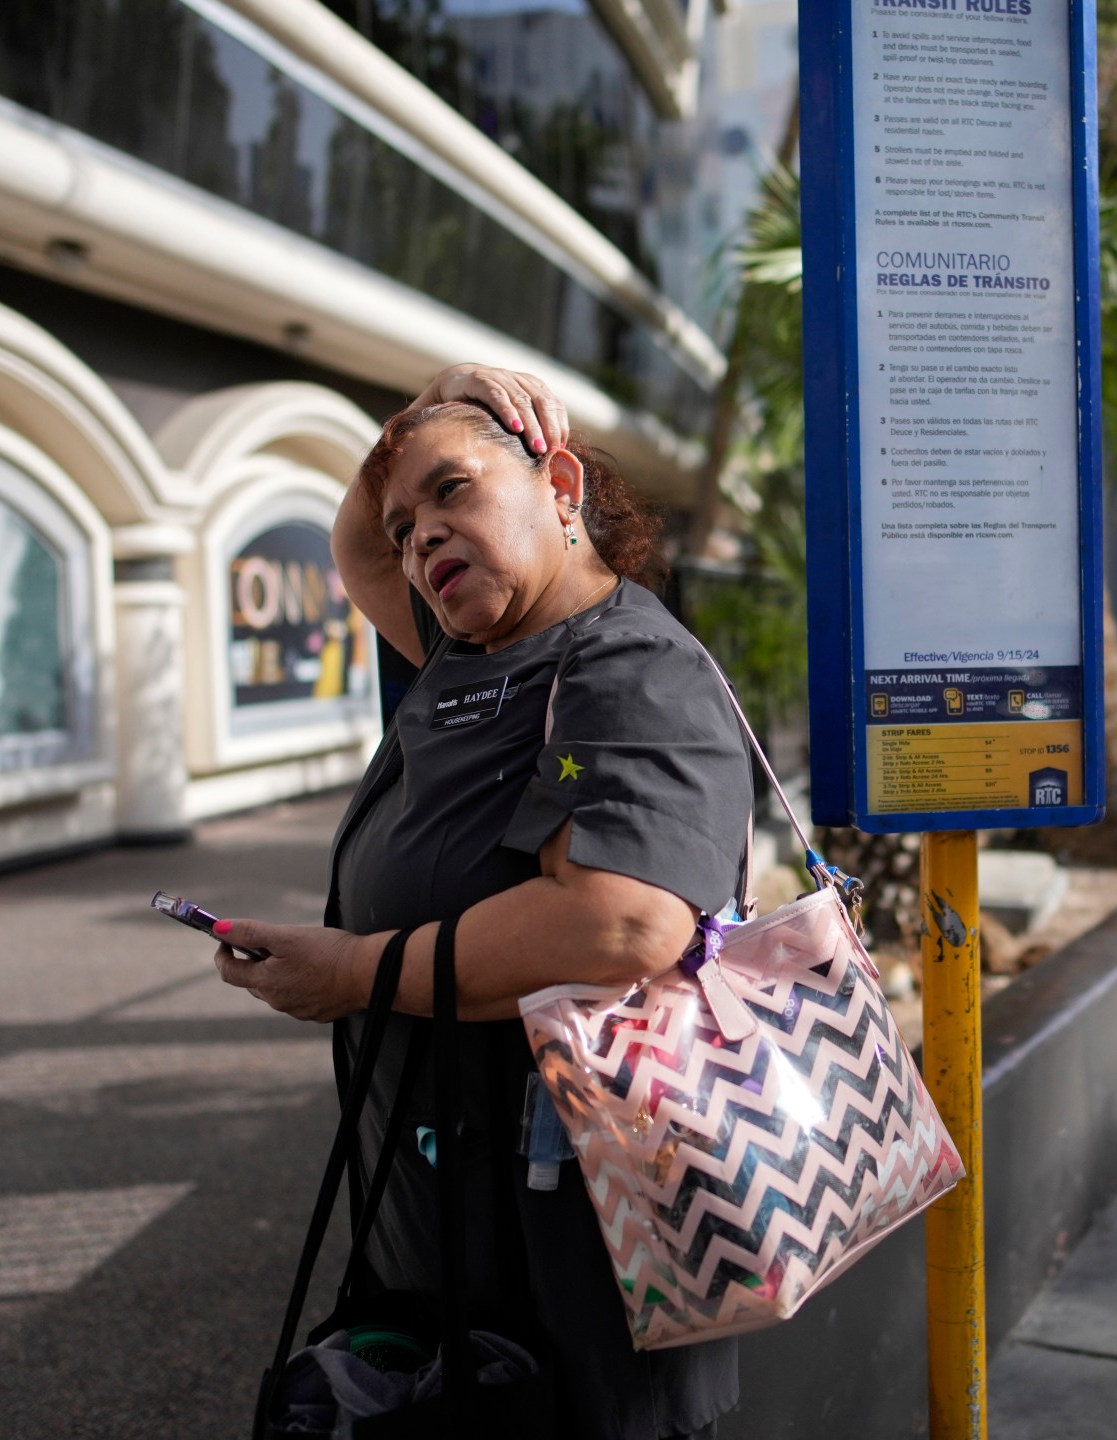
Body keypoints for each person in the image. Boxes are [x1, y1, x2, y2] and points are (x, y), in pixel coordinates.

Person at [209, 365, 749, 1440]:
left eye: (454, 492)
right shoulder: (469, 654)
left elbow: (621, 923)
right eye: (410, 527)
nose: (419, 541)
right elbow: (354, 547)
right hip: (452, 1230)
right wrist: (435, 399)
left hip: (583, 1255)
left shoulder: (636, 670)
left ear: (559, 483)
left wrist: (353, 974)